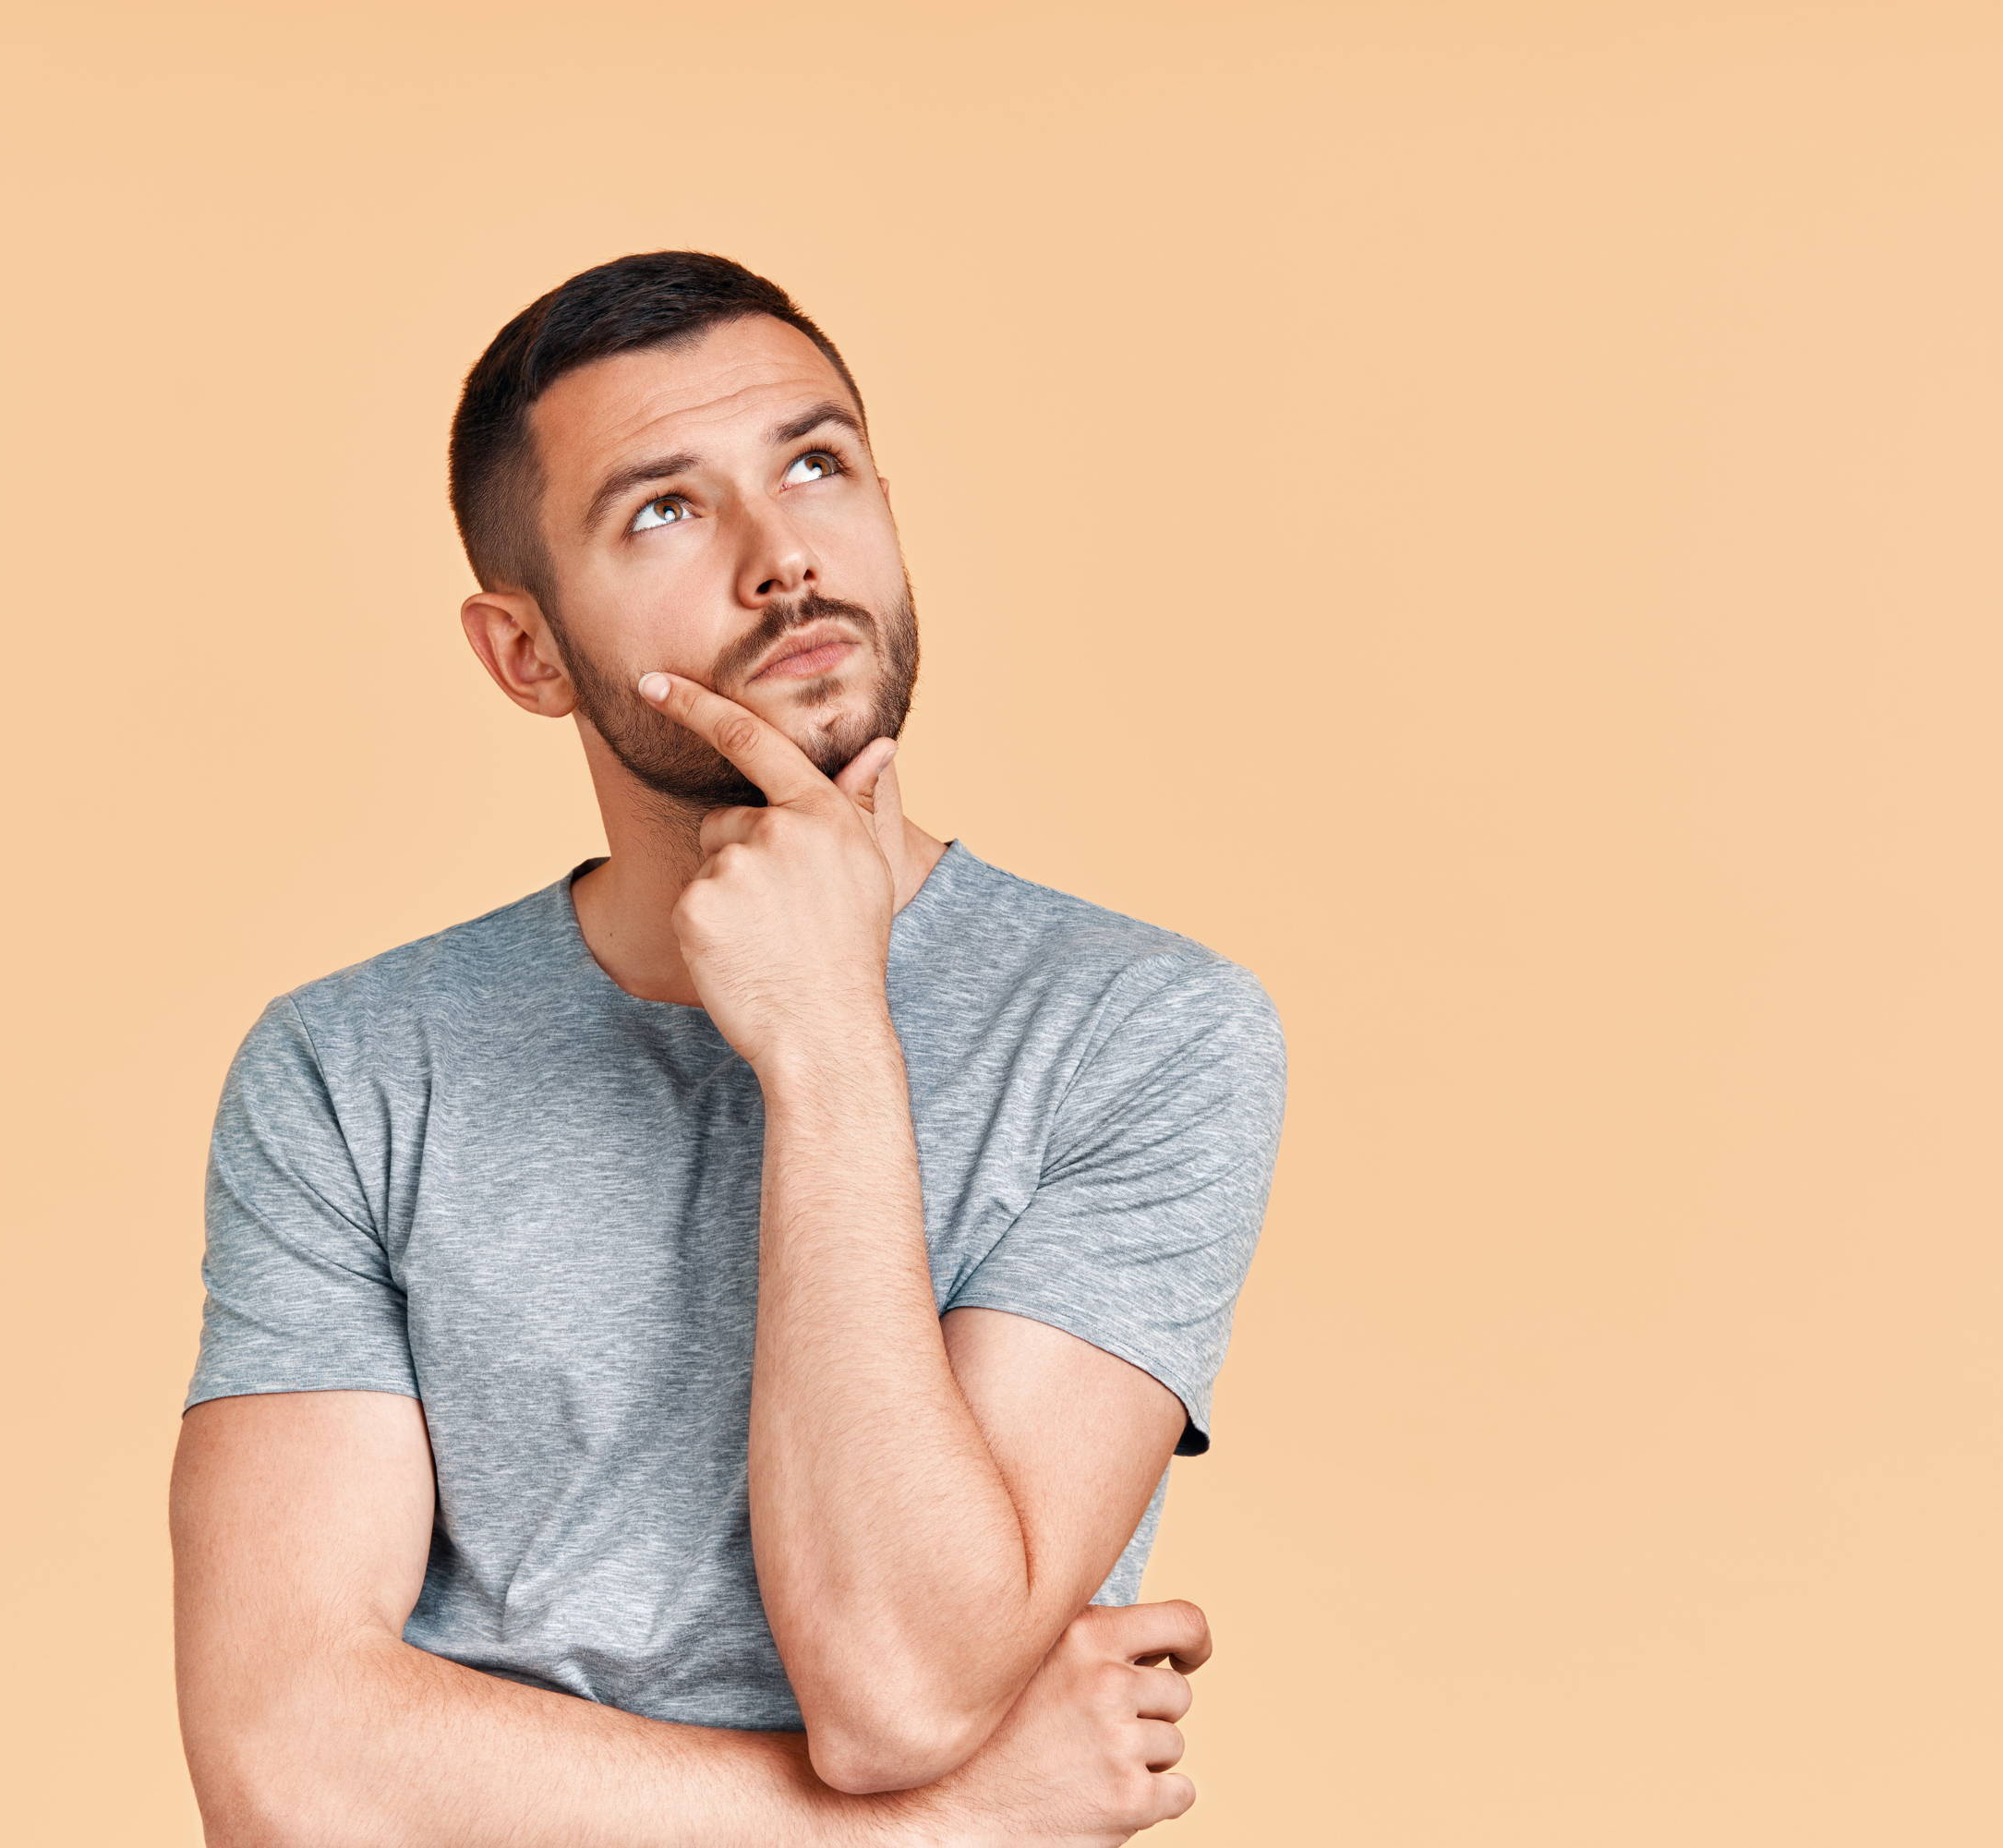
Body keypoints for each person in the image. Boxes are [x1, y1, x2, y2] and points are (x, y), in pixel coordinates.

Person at [168, 250, 1290, 1846]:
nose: (785, 561)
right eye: (664, 511)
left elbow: (902, 1683)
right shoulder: (353, 1069)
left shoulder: (1141, 1031)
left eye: (816, 466)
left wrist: (829, 1033)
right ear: (526, 653)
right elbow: (287, 1758)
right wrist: (934, 1833)